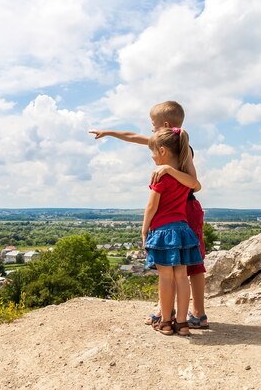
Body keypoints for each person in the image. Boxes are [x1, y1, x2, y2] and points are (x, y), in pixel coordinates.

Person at [89, 101, 209, 329]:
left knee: (190, 263)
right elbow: (133, 136)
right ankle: (168, 310)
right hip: (176, 213)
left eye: (152, 126)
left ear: (164, 125)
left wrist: (169, 170)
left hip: (186, 211)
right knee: (175, 265)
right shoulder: (168, 143)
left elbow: (195, 185)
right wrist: (109, 132)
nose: (150, 131)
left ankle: (196, 312)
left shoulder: (184, 150)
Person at [142, 127, 203, 335]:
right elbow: (196, 184)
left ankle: (166, 322)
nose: (151, 157)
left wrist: (144, 230)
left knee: (165, 278)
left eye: (152, 152)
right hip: (183, 231)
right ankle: (183, 323)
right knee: (182, 277)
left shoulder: (162, 178)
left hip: (162, 232)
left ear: (162, 151)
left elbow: (151, 207)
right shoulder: (185, 177)